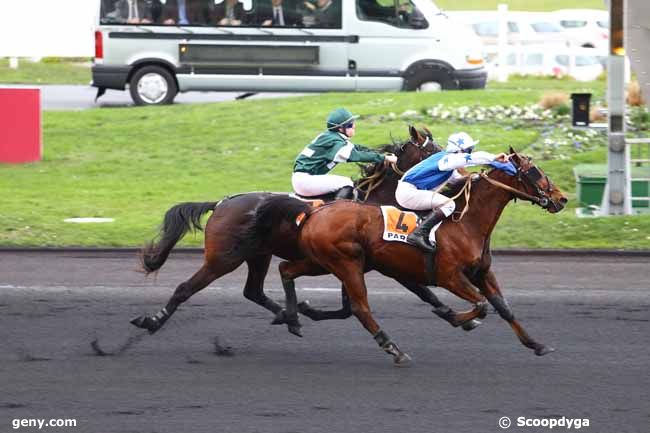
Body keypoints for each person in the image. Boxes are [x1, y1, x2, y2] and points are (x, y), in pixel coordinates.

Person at [395, 132, 510, 252]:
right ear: (458, 150)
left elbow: (455, 179)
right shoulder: (447, 160)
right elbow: (469, 159)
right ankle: (418, 234)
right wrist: (493, 158)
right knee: (449, 204)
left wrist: (475, 177)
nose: (469, 152)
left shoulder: (447, 163)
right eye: (468, 149)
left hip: (411, 191)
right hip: (408, 193)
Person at [292, 108, 398, 199]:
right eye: (350, 125)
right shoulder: (334, 142)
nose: (354, 127)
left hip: (306, 179)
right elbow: (355, 155)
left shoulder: (331, 137)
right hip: (306, 181)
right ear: (340, 128)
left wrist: (382, 154)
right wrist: (383, 158)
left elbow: (357, 148)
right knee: (347, 183)